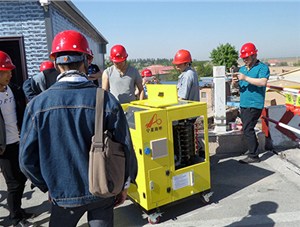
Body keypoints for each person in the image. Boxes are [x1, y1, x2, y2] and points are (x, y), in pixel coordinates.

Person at [19, 30, 137, 227]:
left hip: (63, 194)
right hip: (102, 189)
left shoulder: (37, 105)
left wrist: (48, 186)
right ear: (87, 61)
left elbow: (25, 161)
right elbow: (126, 147)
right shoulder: (105, 99)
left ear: (56, 63)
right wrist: (125, 184)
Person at [0, 51, 35, 227]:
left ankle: (19, 210)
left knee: (21, 179)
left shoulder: (14, 90)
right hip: (3, 148)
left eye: (10, 71)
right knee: (13, 183)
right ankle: (14, 218)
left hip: (18, 142)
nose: (10, 74)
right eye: (6, 71)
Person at [232, 42, 270, 164]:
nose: (244, 60)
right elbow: (240, 87)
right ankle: (252, 150)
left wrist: (245, 78)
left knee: (248, 129)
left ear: (254, 55)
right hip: (244, 103)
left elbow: (263, 82)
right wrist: (235, 83)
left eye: (246, 58)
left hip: (254, 104)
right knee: (247, 128)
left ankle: (253, 156)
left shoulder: (262, 68)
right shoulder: (242, 69)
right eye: (243, 58)